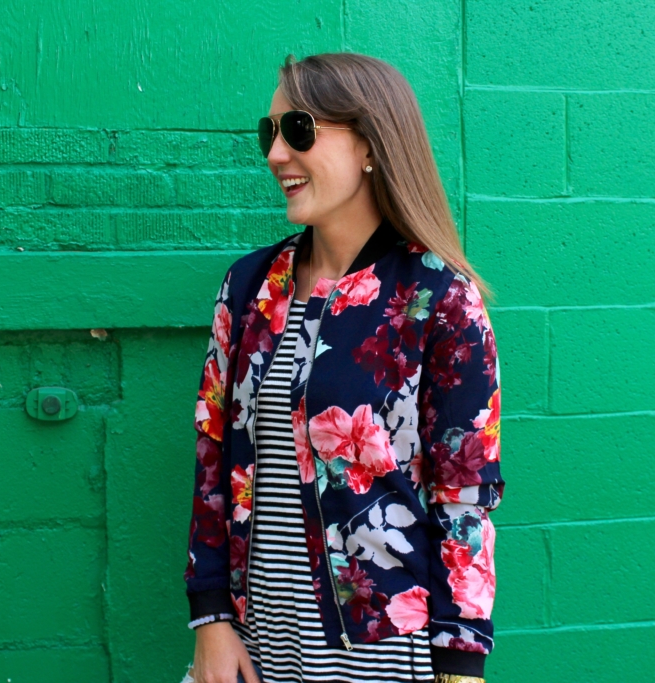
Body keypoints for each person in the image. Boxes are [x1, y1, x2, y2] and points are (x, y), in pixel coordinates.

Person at [183, 52, 503, 683]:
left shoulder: (439, 299)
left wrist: (461, 664)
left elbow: (463, 497)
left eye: (297, 130)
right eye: (268, 133)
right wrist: (212, 620)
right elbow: (213, 457)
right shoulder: (250, 287)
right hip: (253, 643)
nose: (276, 154)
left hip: (381, 654)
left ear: (370, 145)